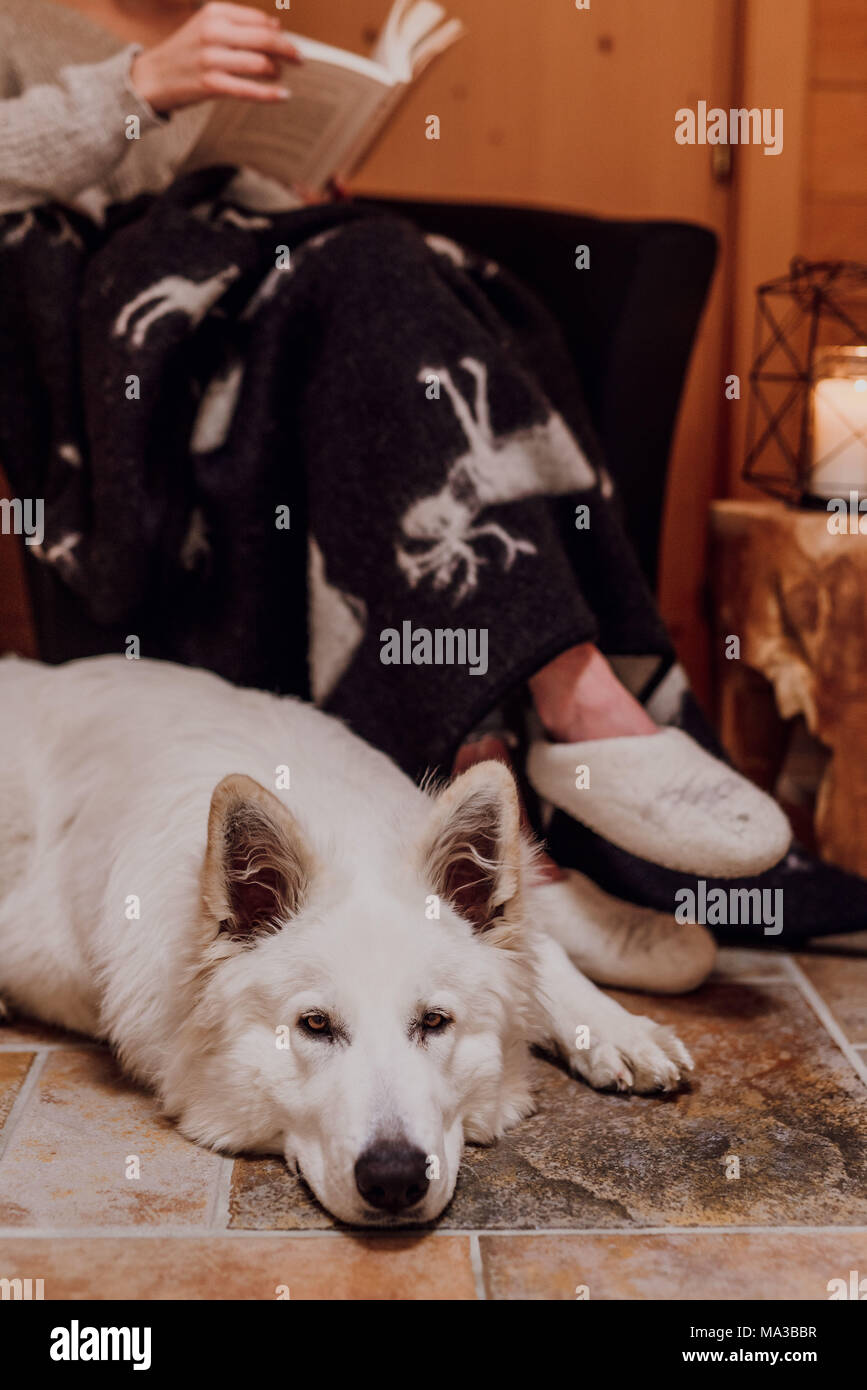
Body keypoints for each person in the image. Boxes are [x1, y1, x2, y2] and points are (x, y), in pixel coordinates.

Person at [0, 0, 802, 989]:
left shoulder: (236, 14)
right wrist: (136, 90)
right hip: (125, 354)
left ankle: (495, 822)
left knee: (394, 288)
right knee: (371, 267)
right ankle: (578, 719)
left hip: (246, 297)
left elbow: (227, 197)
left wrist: (293, 185)